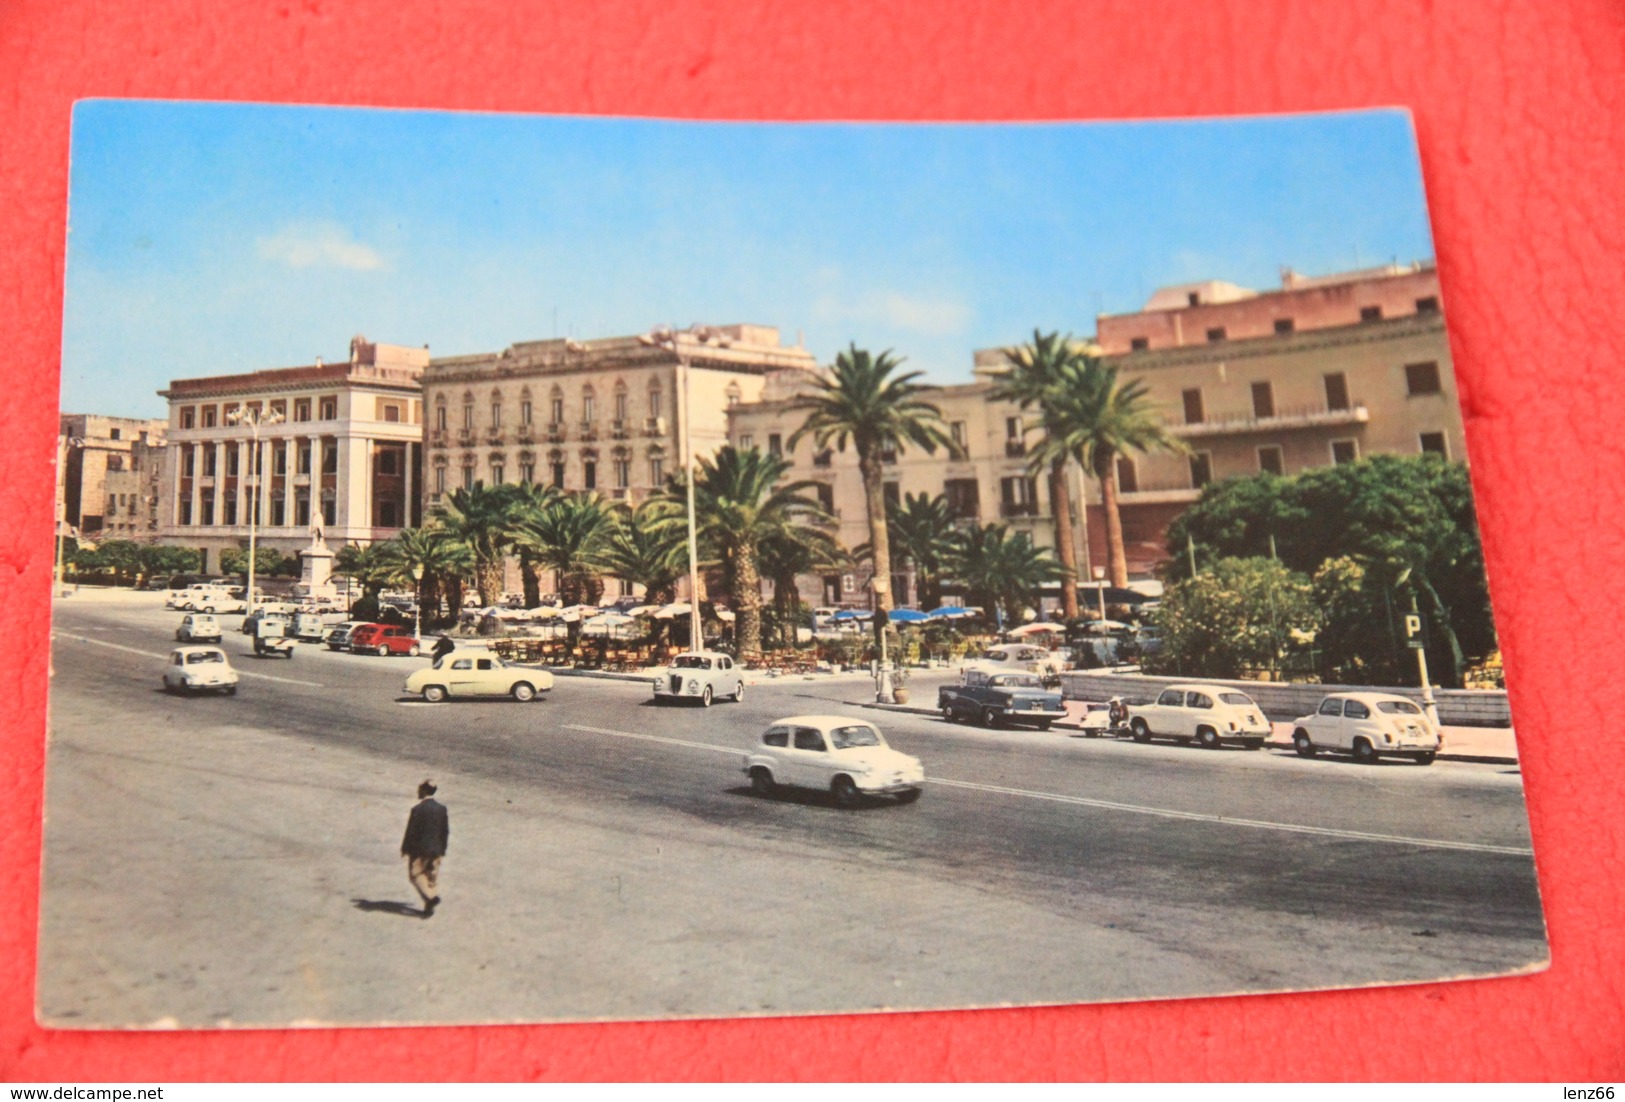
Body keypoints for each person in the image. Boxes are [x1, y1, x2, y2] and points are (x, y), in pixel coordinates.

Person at [401, 780, 450, 917]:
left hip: (420, 850)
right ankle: (429, 906)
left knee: (415, 875)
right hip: (436, 849)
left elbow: (411, 832)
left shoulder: (417, 809)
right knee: (431, 877)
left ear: (423, 791)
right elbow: (445, 831)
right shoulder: (441, 809)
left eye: (419, 790)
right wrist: (442, 849)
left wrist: (405, 848)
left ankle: (431, 898)